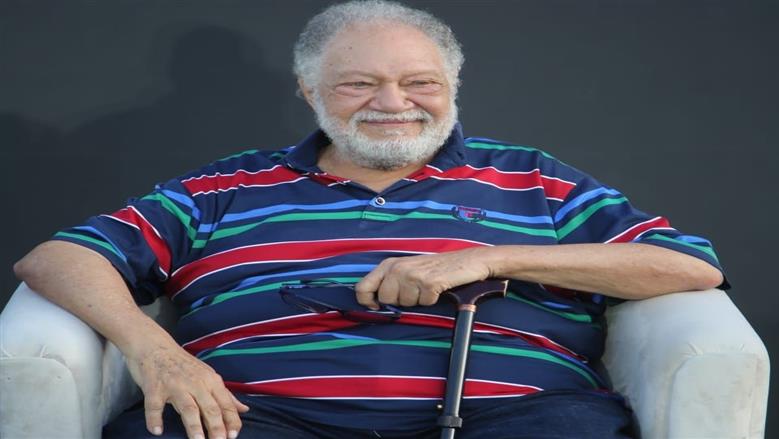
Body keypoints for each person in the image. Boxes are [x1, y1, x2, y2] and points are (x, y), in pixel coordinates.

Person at [14, 1, 726, 438]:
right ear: (309, 90)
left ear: (452, 86)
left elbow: (686, 265)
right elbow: (59, 257)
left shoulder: (533, 178)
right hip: (252, 416)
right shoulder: (223, 186)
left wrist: (489, 257)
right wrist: (154, 349)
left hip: (515, 415)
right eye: (360, 83)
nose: (394, 102)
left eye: (420, 82)